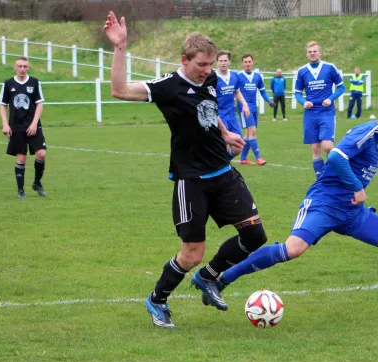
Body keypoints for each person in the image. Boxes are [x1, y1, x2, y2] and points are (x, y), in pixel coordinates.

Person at [194, 105, 378, 322]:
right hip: (324, 204)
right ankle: (222, 280)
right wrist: (357, 186)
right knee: (292, 249)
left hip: (352, 212)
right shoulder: (368, 132)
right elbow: (336, 156)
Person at [104, 11, 269, 329]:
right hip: (191, 180)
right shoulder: (168, 87)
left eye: (210, 65)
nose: (207, 72)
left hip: (223, 172)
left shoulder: (208, 79)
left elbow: (207, 108)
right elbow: (120, 90)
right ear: (185, 59)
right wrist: (120, 47)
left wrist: (224, 132)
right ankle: (157, 299)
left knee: (254, 234)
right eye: (201, 65)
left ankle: (208, 277)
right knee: (192, 253)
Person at [0, 56, 47, 199]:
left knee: (41, 154)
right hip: (16, 126)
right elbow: (2, 104)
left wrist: (34, 123)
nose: (22, 69)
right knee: (21, 158)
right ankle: (20, 191)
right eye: (19, 66)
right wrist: (5, 124)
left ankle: (37, 183)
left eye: (25, 66)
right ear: (15, 67)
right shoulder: (8, 84)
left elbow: (39, 104)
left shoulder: (34, 82)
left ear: (28, 68)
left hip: (33, 125)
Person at [294, 41, 345, 179]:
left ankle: (338, 173)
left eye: (315, 51)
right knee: (315, 149)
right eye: (310, 52)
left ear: (320, 52)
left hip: (326, 113)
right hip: (310, 114)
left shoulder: (329, 68)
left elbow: (341, 87)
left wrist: (331, 98)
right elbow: (297, 93)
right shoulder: (302, 71)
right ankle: (321, 180)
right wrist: (304, 102)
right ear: (307, 54)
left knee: (328, 146)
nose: (312, 53)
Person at [237, 54, 275, 165]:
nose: (247, 64)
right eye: (245, 62)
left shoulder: (257, 76)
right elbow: (234, 91)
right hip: (244, 108)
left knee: (249, 134)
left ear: (252, 62)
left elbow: (262, 91)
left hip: (254, 108)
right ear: (242, 63)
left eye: (249, 61)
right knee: (252, 132)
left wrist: (269, 101)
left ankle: (243, 159)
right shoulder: (238, 76)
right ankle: (259, 158)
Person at [216, 50, 250, 143]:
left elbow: (237, 92)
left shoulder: (234, 75)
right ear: (217, 62)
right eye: (221, 61)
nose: (223, 63)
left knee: (239, 142)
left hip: (232, 115)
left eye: (225, 60)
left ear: (229, 62)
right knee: (223, 144)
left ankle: (225, 158)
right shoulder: (213, 77)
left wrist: (244, 104)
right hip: (219, 116)